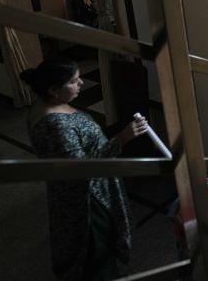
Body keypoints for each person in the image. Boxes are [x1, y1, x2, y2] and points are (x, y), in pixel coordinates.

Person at [21, 56, 150, 281]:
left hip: (76, 193)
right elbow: (83, 169)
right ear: (53, 90)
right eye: (74, 81)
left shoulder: (46, 104)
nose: (81, 83)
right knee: (96, 253)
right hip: (87, 199)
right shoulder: (55, 126)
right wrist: (123, 138)